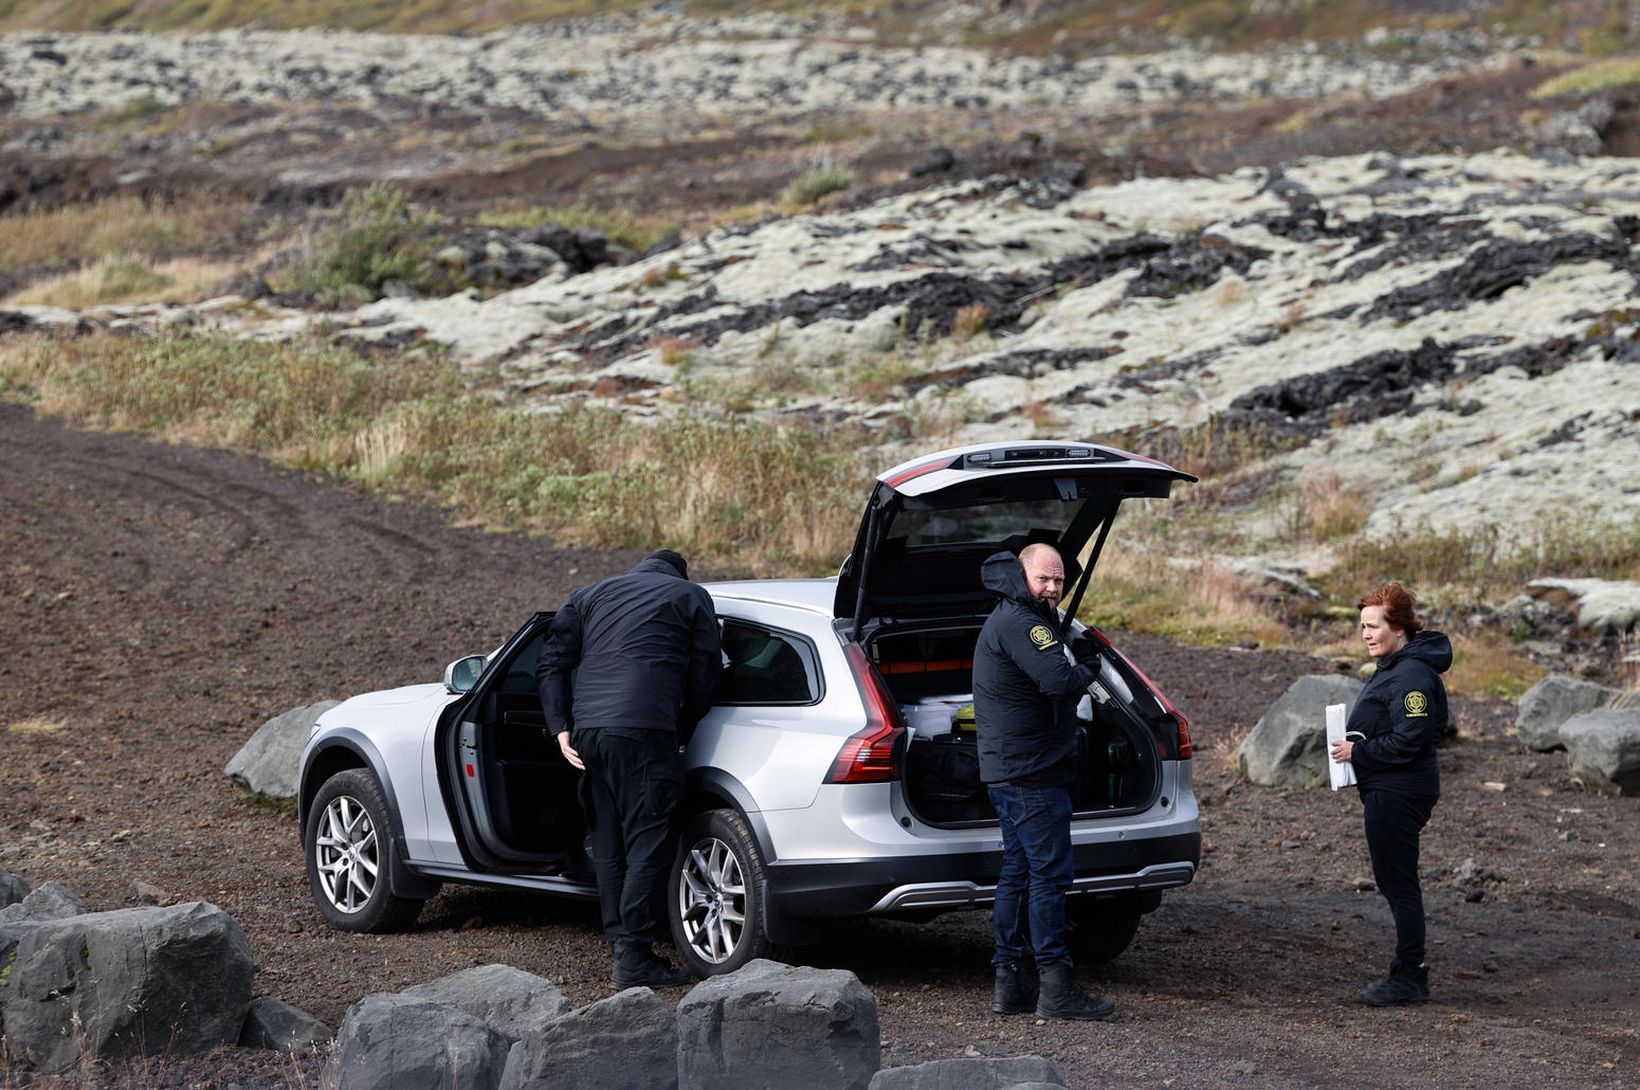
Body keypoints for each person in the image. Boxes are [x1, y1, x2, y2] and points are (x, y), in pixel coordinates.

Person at [536, 548, 721, 989]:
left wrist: (560, 728)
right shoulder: (690, 596)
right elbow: (706, 671)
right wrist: (684, 725)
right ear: (679, 573)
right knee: (648, 842)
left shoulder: (589, 595)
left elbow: (551, 662)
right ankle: (634, 956)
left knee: (609, 842)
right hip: (644, 730)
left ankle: (624, 948)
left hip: (590, 735)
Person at [972, 542, 1114, 1021]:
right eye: (1044, 580)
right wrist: (1088, 666)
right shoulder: (1024, 622)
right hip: (1031, 774)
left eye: (1058, 581)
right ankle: (1056, 987)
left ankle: (1010, 985)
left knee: (1019, 872)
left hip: (1012, 770)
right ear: (1022, 575)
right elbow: (1059, 682)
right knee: (1050, 877)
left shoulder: (1014, 615)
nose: (1053, 588)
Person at [1330, 581, 1449, 1007]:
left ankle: (1410, 976)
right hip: (1391, 789)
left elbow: (1411, 740)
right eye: (1362, 626)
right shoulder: (1398, 667)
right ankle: (1409, 971)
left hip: (1400, 792)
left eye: (1373, 626)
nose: (1365, 634)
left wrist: (1357, 751)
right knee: (1394, 879)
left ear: (1399, 629)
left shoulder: (1411, 674)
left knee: (1399, 883)